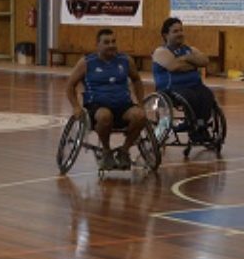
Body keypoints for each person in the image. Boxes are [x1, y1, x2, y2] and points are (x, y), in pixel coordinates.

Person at [67, 28, 148, 169]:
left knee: (140, 116)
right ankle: (106, 151)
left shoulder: (125, 60)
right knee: (105, 116)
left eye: (113, 41)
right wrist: (75, 106)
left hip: (122, 104)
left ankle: (124, 150)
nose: (111, 45)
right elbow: (70, 86)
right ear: (97, 45)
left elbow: (136, 80)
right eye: (106, 42)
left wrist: (140, 103)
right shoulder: (87, 63)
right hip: (96, 105)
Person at [151, 17, 219, 142]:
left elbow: (205, 61)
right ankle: (191, 125)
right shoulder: (161, 51)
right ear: (166, 35)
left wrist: (185, 59)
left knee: (207, 95)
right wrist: (193, 63)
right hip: (171, 89)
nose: (180, 34)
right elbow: (174, 66)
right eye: (175, 31)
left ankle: (201, 125)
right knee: (189, 97)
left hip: (195, 86)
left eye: (181, 30)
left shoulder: (190, 49)